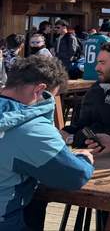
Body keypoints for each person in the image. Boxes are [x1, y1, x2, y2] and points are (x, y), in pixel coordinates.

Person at [0, 55, 94, 230]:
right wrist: (85, 158)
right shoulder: (30, 129)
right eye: (52, 97)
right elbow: (74, 176)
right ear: (40, 91)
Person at [61, 41, 110, 144]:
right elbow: (82, 123)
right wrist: (64, 132)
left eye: (102, 63)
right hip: (87, 152)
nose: (96, 68)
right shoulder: (97, 88)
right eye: (98, 62)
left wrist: (73, 138)